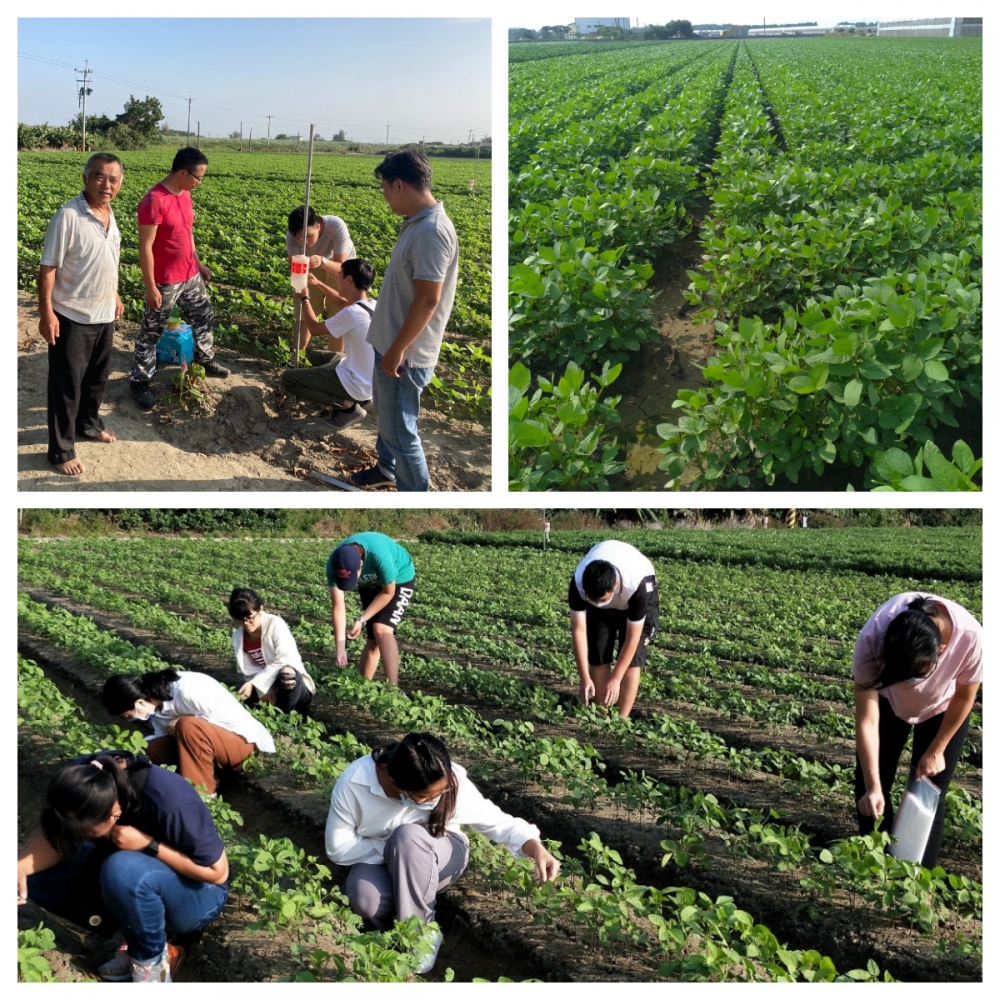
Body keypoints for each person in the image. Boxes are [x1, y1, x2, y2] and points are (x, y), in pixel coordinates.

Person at [326, 732, 560, 973]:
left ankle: (421, 934)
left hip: (441, 852)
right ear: (400, 787)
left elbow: (495, 821)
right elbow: (338, 848)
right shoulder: (356, 783)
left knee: (407, 837)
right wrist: (390, 849)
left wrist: (536, 848)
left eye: (440, 792)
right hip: (384, 858)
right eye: (428, 797)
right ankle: (391, 938)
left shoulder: (450, 780)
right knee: (364, 898)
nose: (438, 798)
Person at [17, 750, 229, 982]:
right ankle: (133, 936)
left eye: (85, 830)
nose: (77, 835)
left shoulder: (169, 798)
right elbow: (55, 834)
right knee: (35, 878)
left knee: (123, 868)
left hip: (197, 894)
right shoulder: (85, 777)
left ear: (113, 814)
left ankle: (152, 962)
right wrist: (18, 869)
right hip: (136, 881)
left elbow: (217, 873)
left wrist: (149, 845)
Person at [349, 150, 459, 491]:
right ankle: (386, 469)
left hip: (404, 354)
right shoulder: (417, 223)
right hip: (392, 344)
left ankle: (415, 493)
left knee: (401, 432)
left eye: (383, 187)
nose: (383, 195)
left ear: (399, 184)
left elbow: (428, 300)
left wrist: (398, 349)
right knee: (389, 422)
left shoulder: (431, 231)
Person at [853, 593, 982, 867]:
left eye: (916, 676)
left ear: (941, 651)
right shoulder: (872, 638)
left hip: (943, 706)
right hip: (888, 704)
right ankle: (875, 868)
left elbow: (964, 696)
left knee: (930, 789)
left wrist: (937, 749)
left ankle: (917, 877)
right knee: (871, 783)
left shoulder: (971, 638)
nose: (910, 684)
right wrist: (872, 785)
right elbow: (867, 720)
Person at [37, 152, 124, 476]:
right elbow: (48, 269)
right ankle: (60, 452)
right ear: (86, 178)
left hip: (103, 315)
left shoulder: (110, 215)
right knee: (66, 386)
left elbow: (108, 259)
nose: (107, 184)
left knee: (96, 381)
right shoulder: (68, 217)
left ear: (120, 184)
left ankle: (87, 424)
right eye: (100, 177)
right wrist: (47, 314)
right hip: (72, 315)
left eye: (113, 179)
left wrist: (114, 295)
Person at [129, 147, 229, 410]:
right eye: (199, 177)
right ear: (183, 172)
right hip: (165, 280)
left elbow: (187, 232)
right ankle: (140, 380)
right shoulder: (154, 201)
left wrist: (198, 262)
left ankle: (204, 359)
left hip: (189, 273)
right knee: (152, 331)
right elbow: (145, 247)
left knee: (203, 316)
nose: (200, 182)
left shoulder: (184, 195)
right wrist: (151, 287)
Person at [102, 667, 275, 796]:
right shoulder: (156, 706)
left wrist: (185, 721)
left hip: (243, 745)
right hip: (208, 746)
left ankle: (203, 796)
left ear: (140, 703)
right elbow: (164, 738)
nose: (132, 719)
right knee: (149, 747)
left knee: (187, 725)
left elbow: (230, 720)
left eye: (128, 716)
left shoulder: (186, 690)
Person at [280, 259, 377, 431]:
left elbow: (315, 329)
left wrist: (305, 298)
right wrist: (317, 283)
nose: (336, 279)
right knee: (316, 356)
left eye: (339, 276)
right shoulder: (372, 304)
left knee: (288, 379)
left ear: (349, 280)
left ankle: (348, 406)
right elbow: (341, 302)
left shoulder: (352, 314)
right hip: (370, 379)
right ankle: (362, 399)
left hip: (356, 382)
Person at [569, 540, 659, 719]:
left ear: (615, 585)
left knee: (632, 661)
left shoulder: (637, 586)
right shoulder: (579, 584)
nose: (597, 604)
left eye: (602, 600)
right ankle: (601, 715)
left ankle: (620, 721)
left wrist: (616, 679)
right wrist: (584, 677)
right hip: (603, 591)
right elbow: (578, 630)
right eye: (592, 600)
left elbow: (633, 638)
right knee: (598, 654)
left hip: (636, 596)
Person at [327, 532, 415, 687]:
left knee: (381, 629)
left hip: (399, 578)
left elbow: (388, 593)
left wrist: (362, 619)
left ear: (361, 564)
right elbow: (338, 607)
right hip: (369, 584)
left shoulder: (379, 556)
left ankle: (393, 690)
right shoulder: (334, 563)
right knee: (373, 640)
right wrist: (340, 648)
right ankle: (364, 687)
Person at [228, 587, 315, 714]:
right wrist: (262, 691)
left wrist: (255, 684)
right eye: (240, 619)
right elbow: (248, 671)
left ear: (260, 609)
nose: (246, 623)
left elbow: (284, 660)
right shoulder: (238, 637)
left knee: (287, 674)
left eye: (250, 617)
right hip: (266, 686)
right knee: (236, 694)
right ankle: (269, 711)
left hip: (295, 688)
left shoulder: (275, 625)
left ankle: (285, 718)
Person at [285, 205, 356, 334]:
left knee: (339, 315)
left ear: (318, 227)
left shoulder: (336, 226)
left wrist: (322, 261)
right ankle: (297, 353)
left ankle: (335, 354)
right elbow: (294, 267)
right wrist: (300, 286)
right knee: (304, 316)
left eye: (309, 236)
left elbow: (341, 266)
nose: (304, 242)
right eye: (299, 238)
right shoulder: (291, 235)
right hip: (311, 266)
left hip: (339, 267)